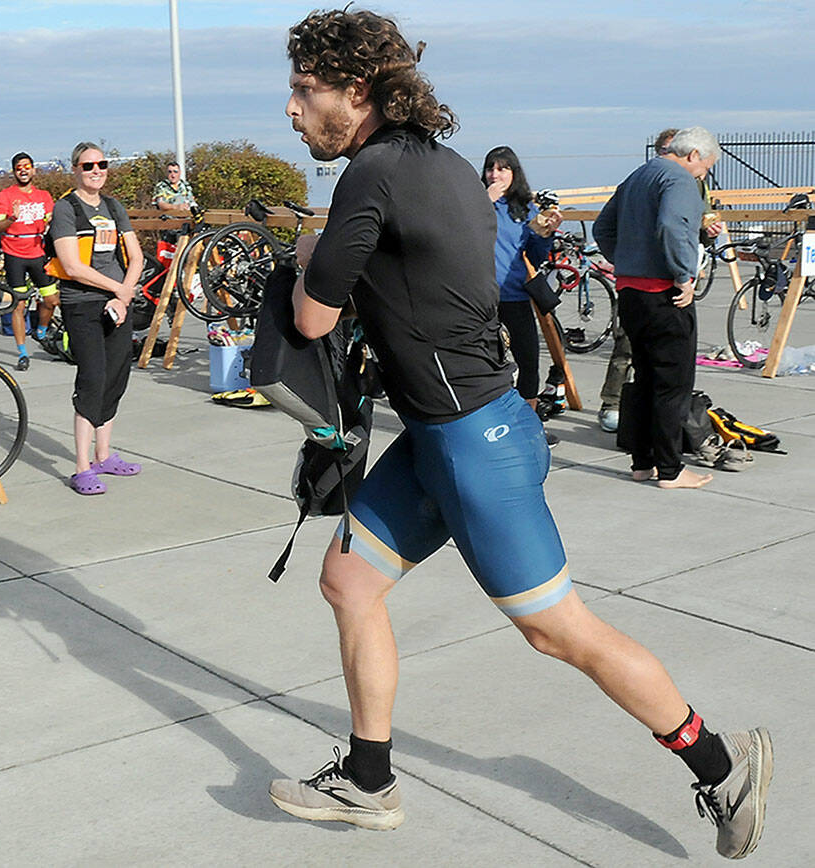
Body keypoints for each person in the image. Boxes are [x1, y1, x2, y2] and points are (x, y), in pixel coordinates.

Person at [268, 11, 771, 860]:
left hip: (476, 443)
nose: (290, 108)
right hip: (441, 434)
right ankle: (368, 780)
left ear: (355, 92)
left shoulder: (370, 174)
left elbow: (314, 315)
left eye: (304, 90)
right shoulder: (447, 163)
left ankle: (720, 765)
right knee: (350, 582)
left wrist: (310, 250)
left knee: (557, 629)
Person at [594, 127, 719, 490]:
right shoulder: (678, 178)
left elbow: (603, 227)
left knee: (645, 377)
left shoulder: (639, 175)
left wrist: (627, 261)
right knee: (672, 382)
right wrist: (684, 275)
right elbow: (671, 225)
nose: (703, 175)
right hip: (665, 293)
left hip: (631, 292)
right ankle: (670, 469)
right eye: (706, 167)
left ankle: (642, 461)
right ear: (693, 154)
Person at [49, 142, 144, 495]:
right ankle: (82, 466)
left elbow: (135, 256)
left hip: (117, 302)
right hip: (83, 304)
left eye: (101, 164)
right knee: (92, 377)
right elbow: (72, 266)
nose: (96, 171)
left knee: (116, 375)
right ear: (75, 169)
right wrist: (118, 290)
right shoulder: (66, 209)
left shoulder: (113, 206)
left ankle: (104, 455)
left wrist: (123, 294)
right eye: (88, 165)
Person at [481, 146, 561, 444]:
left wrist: (546, 233)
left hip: (514, 295)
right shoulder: (475, 203)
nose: (495, 174)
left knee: (528, 361)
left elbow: (535, 254)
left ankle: (528, 426)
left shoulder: (524, 208)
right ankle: (490, 428)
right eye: (491, 168)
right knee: (487, 364)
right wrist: (485, 201)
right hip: (482, 297)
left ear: (514, 174)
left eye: (503, 168)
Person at [0, 152, 57, 372]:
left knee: (52, 300)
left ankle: (41, 331)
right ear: (14, 171)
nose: (23, 170)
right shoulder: (5, 196)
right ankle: (22, 352)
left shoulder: (44, 195)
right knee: (18, 304)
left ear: (34, 169)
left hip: (38, 252)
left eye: (27, 166)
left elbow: (52, 218)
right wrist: (12, 218)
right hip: (14, 253)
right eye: (19, 167)